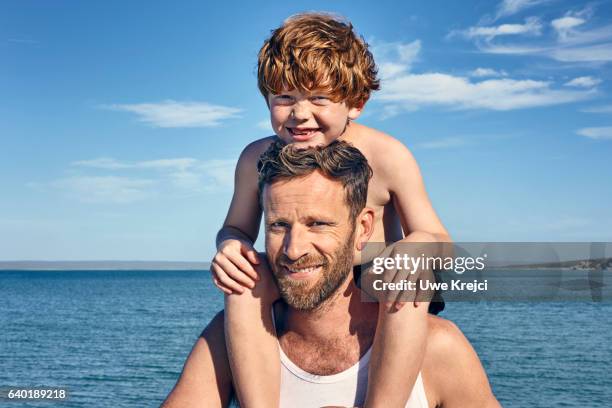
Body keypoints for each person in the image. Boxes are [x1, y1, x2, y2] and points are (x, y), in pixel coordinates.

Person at [211, 12, 451, 407]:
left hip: (373, 279)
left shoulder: (388, 155)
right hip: (300, 274)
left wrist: (416, 247)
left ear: (356, 103)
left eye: (318, 98)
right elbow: (235, 228)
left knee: (410, 279)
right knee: (245, 281)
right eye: (284, 98)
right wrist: (230, 248)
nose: (300, 113)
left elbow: (438, 236)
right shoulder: (255, 157)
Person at [162, 141, 499, 407]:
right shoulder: (227, 338)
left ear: (363, 229)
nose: (294, 249)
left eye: (318, 224)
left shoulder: (438, 348)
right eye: (279, 225)